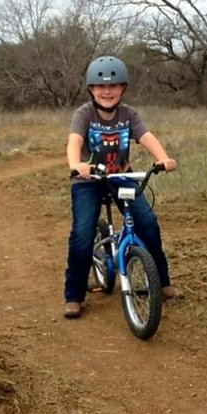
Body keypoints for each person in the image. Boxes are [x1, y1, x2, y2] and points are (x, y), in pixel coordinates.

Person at [62, 54, 181, 319]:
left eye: (113, 86)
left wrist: (162, 158)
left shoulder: (129, 114)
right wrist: (76, 164)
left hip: (120, 177)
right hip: (88, 180)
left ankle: (162, 282)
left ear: (123, 88)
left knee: (148, 224)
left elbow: (146, 136)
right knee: (82, 235)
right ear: (91, 89)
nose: (107, 91)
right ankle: (74, 295)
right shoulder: (84, 113)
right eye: (100, 86)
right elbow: (74, 140)